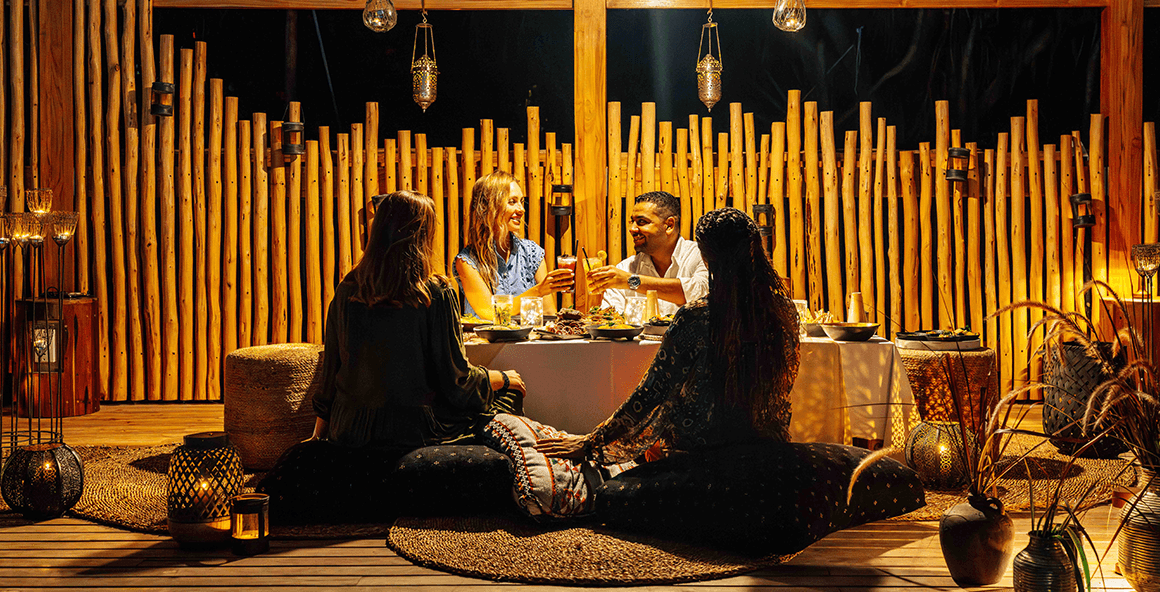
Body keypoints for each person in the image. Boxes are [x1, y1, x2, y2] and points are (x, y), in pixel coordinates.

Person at [537, 207, 800, 462]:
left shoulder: (696, 317)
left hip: (701, 458)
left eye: (642, 221)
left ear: (706, 257)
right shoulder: (784, 311)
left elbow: (651, 395)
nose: (633, 229)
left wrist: (591, 443)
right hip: (767, 452)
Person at [311, 190, 525, 448]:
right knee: (508, 396)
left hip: (348, 428)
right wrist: (501, 377)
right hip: (411, 429)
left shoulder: (348, 288)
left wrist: (318, 436)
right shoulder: (434, 292)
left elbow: (331, 370)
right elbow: (456, 382)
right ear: (425, 234)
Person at [454, 171, 573, 320]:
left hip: (531, 335)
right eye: (512, 202)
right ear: (489, 207)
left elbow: (549, 314)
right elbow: (490, 312)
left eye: (521, 201)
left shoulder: (532, 252)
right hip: (486, 336)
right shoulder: (467, 261)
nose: (521, 209)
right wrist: (538, 291)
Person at [586, 191, 708, 318]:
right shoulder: (625, 268)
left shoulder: (701, 256)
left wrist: (630, 281)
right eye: (632, 221)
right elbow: (610, 319)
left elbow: (700, 293)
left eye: (641, 221)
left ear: (669, 225)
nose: (632, 229)